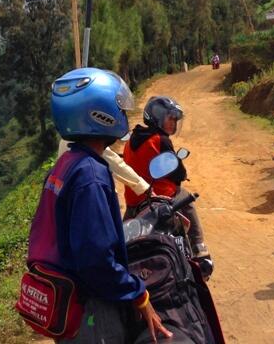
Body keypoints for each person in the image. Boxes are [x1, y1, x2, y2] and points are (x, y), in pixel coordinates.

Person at [27, 68, 172, 343]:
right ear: (101, 114)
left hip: (63, 298)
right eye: (119, 108)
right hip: (89, 308)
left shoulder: (66, 164)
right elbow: (97, 260)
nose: (123, 115)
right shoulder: (91, 175)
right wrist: (139, 296)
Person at [123, 96, 211, 266]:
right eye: (170, 118)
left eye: (175, 119)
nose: (173, 123)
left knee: (122, 236)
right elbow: (177, 173)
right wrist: (181, 174)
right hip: (161, 199)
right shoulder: (160, 140)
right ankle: (200, 248)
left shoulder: (130, 141)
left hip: (134, 203)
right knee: (187, 198)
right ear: (157, 116)